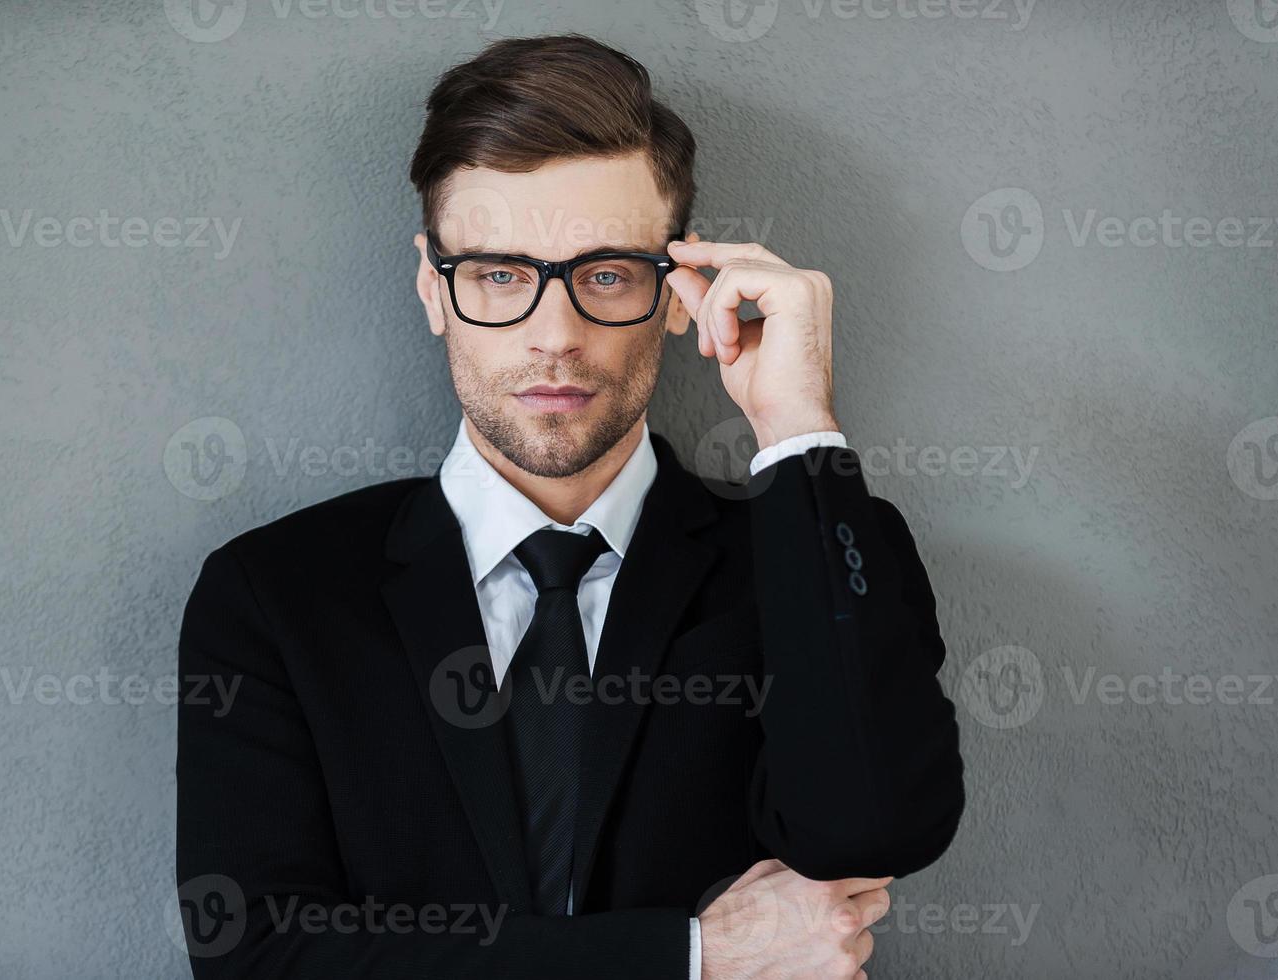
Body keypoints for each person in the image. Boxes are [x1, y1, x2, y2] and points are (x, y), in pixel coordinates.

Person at [176, 32, 964, 980]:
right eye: (501, 274)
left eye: (605, 274)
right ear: (435, 289)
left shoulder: (804, 551)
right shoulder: (276, 594)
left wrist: (795, 420)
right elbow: (257, 957)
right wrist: (689, 956)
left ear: (678, 295)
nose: (556, 337)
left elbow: (870, 830)